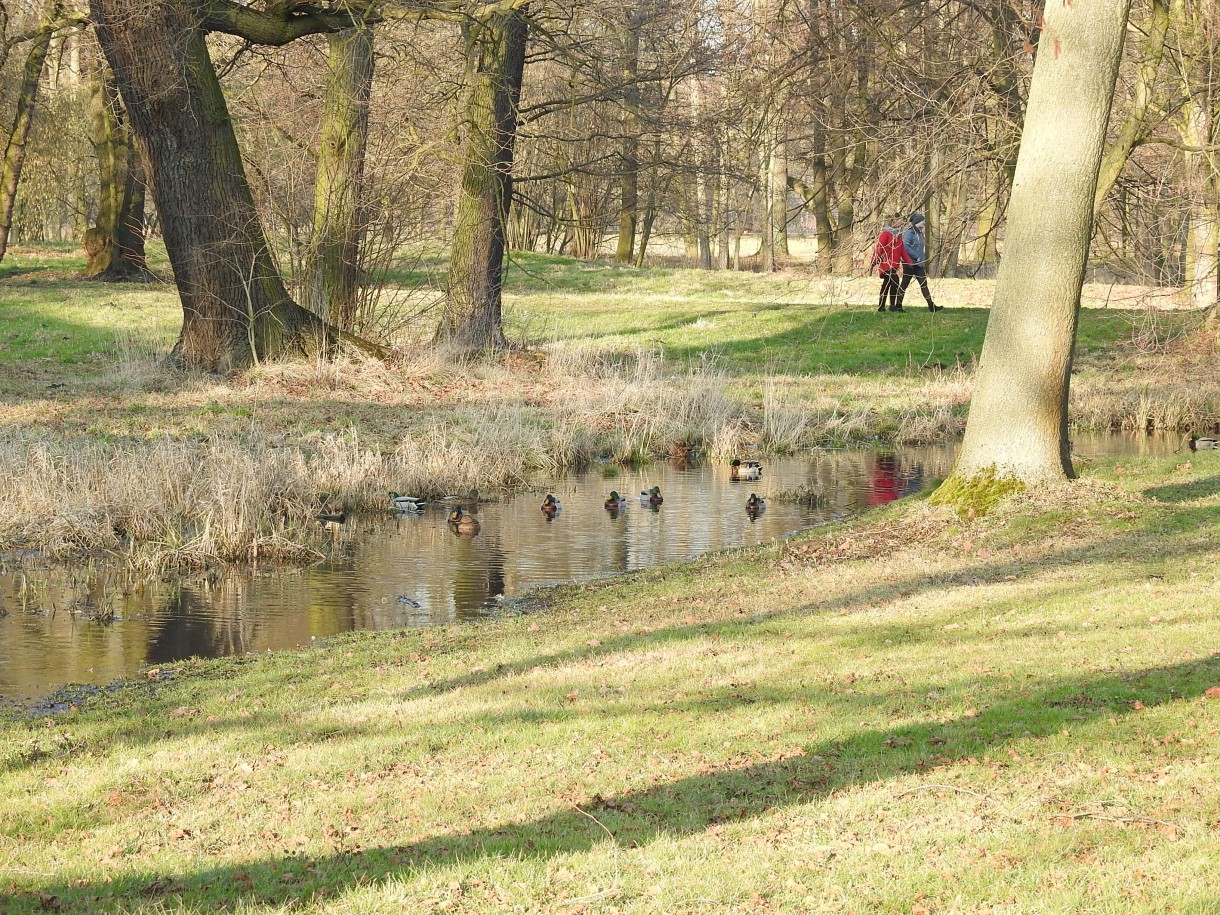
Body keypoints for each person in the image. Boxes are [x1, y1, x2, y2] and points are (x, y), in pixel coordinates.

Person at [899, 213, 942, 312]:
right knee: (904, 284)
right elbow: (905, 246)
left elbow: (919, 248)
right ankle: (898, 306)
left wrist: (923, 257)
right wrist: (916, 256)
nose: (924, 222)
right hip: (909, 263)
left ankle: (931, 306)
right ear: (917, 222)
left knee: (924, 283)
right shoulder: (910, 233)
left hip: (918, 264)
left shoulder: (920, 233)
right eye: (922, 220)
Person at [870, 217, 911, 312]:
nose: (901, 222)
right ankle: (889, 306)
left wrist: (909, 263)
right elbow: (879, 248)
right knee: (894, 281)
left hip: (894, 264)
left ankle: (884, 306)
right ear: (894, 221)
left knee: (888, 284)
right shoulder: (886, 234)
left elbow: (902, 251)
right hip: (886, 263)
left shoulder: (899, 236)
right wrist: (874, 261)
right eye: (899, 220)